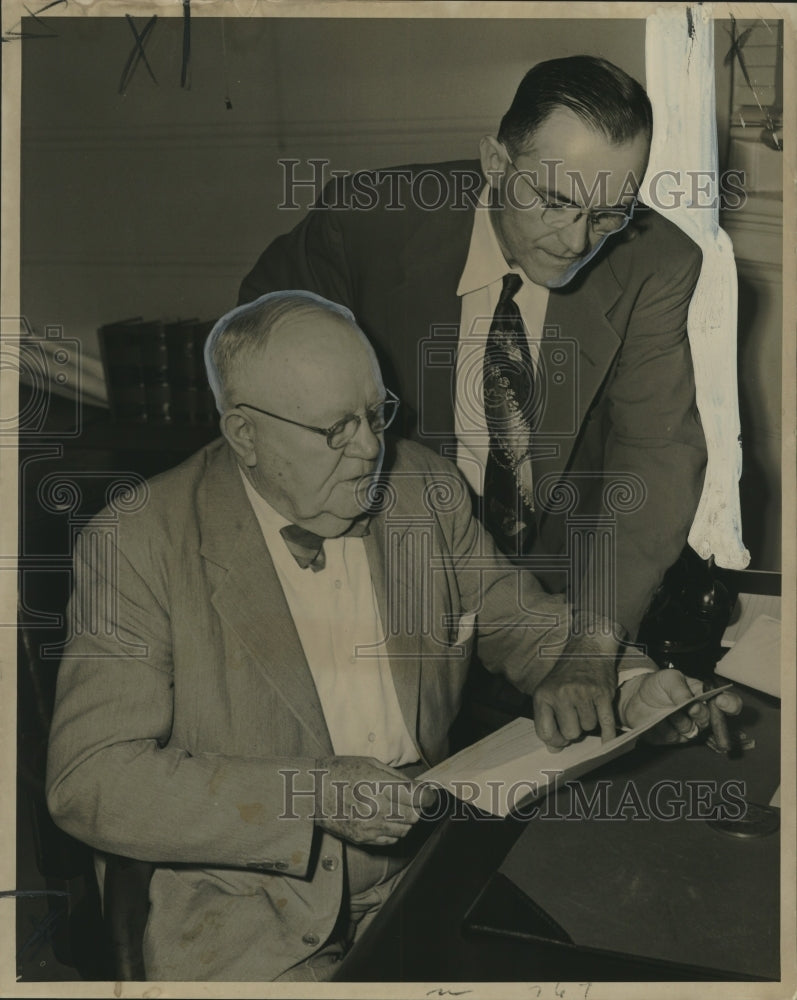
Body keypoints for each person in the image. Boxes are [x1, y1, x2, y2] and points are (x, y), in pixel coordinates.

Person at [46, 292, 736, 982]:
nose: (371, 449)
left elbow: (520, 619)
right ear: (244, 434)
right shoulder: (137, 543)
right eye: (335, 429)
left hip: (425, 864)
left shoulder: (421, 490)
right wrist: (309, 794)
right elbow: (92, 780)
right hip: (242, 905)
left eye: (376, 413)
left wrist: (632, 685)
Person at [237, 55, 708, 674]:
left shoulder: (656, 262)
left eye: (605, 215)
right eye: (555, 201)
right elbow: (252, 361)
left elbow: (655, 455)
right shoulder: (363, 225)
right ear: (495, 162)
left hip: (563, 594)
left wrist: (593, 643)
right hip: (386, 577)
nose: (574, 243)